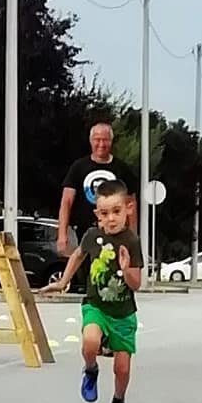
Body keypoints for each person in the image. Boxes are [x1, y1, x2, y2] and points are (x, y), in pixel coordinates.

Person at [41, 179, 144, 403]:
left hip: (123, 313)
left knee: (122, 368)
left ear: (128, 209)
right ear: (97, 214)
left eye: (116, 211)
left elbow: (136, 284)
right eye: (105, 213)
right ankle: (91, 369)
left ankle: (118, 401)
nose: (111, 219)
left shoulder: (131, 242)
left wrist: (125, 269)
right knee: (90, 341)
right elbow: (78, 255)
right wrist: (62, 281)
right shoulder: (92, 236)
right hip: (95, 305)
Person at [58, 123, 139, 291]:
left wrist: (132, 234)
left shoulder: (122, 169)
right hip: (87, 230)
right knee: (90, 272)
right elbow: (66, 201)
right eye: (97, 140)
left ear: (111, 142)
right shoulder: (79, 167)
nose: (101, 144)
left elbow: (131, 203)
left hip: (117, 232)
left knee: (113, 272)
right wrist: (62, 234)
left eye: (105, 140)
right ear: (91, 141)